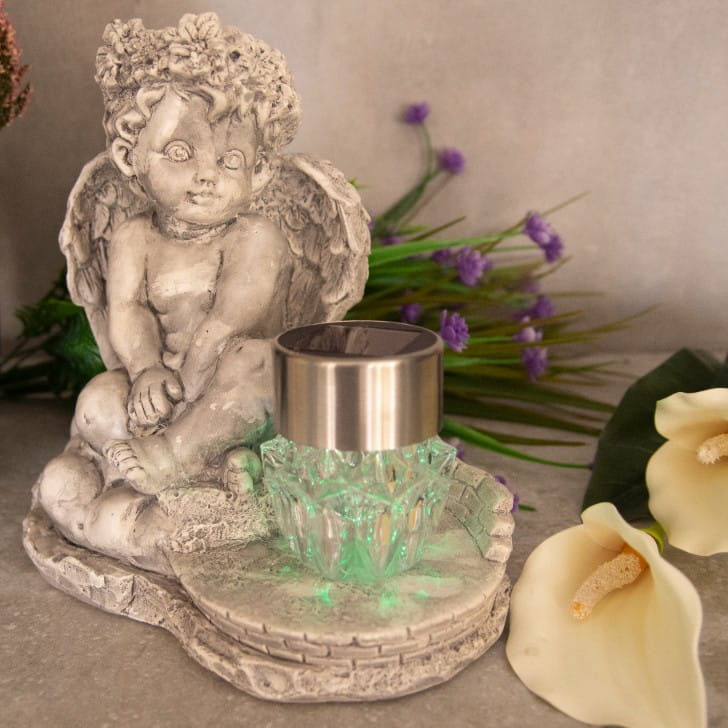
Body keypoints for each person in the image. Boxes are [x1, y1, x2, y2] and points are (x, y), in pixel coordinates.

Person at [35, 14, 368, 572]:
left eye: (230, 161)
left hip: (228, 383)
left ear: (260, 173)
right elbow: (127, 310)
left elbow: (231, 318)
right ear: (131, 158)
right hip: (160, 378)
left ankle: (179, 460)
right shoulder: (133, 236)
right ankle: (170, 474)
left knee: (259, 362)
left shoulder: (255, 236)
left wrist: (186, 391)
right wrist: (144, 369)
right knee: (97, 398)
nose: (208, 175)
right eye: (180, 153)